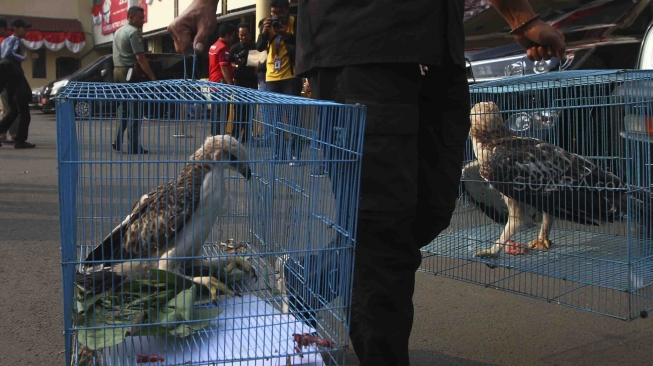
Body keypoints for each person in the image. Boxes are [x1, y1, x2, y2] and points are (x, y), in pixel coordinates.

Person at [167, 2, 566, 366]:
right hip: (359, 44)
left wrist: (521, 18)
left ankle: (313, 275)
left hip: (438, 48)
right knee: (381, 232)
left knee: (429, 211)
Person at [255, 0, 304, 161]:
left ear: (287, 10)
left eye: (279, 12)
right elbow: (259, 47)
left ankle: (295, 153)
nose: (276, 16)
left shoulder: (295, 21)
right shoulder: (266, 24)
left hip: (291, 75)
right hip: (271, 77)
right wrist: (264, 32)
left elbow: (302, 43)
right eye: (273, 12)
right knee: (272, 119)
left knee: (293, 118)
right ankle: (278, 152)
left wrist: (286, 34)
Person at [111, 6, 155, 155]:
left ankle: (117, 140)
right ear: (131, 17)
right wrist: (152, 77)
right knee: (135, 110)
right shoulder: (134, 32)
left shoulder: (118, 31)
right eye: (140, 17)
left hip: (117, 71)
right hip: (129, 73)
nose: (143, 20)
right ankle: (134, 146)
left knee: (123, 109)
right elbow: (140, 57)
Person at [0, 19, 36, 149]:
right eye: (24, 28)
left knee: (13, 111)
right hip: (15, 77)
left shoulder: (4, 41)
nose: (26, 31)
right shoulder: (14, 40)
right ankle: (20, 140)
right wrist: (23, 58)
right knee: (23, 109)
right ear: (16, 28)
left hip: (8, 80)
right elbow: (7, 54)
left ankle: (16, 138)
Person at [229, 22, 258, 142]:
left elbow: (260, 62)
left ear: (250, 34)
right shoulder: (234, 48)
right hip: (239, 83)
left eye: (245, 35)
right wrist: (235, 65)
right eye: (241, 35)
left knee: (250, 111)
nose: (243, 37)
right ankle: (235, 136)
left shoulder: (256, 46)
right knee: (238, 110)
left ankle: (247, 136)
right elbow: (228, 63)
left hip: (252, 82)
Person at [208, 22, 237, 136]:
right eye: (232, 35)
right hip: (221, 84)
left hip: (213, 83)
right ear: (227, 35)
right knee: (222, 115)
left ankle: (214, 136)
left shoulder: (214, 46)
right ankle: (219, 138)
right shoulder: (223, 48)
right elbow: (223, 67)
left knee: (215, 114)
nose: (233, 38)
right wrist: (230, 84)